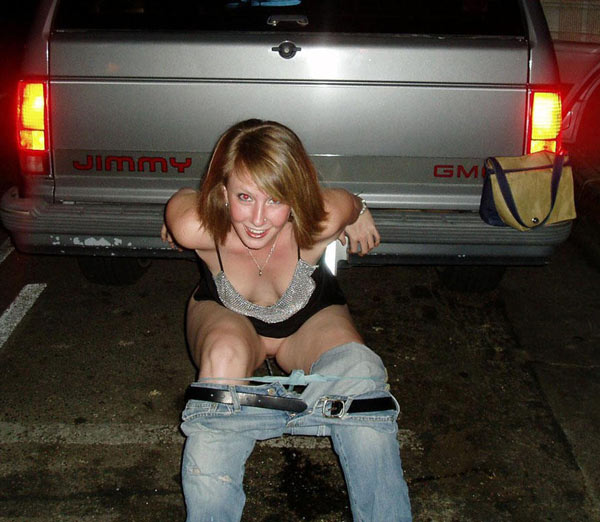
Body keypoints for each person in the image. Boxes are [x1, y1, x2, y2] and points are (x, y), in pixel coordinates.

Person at [161, 119, 412, 521]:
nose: (258, 219)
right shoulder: (197, 228)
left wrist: (360, 210)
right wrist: (181, 214)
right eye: (245, 197)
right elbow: (183, 199)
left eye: (276, 200)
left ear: (296, 197)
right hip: (228, 316)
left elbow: (346, 200)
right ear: (223, 194)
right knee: (222, 362)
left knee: (361, 372)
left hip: (308, 322)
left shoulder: (320, 221)